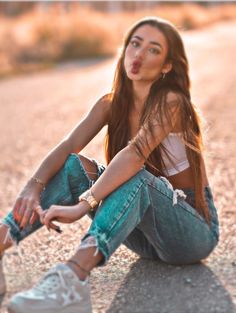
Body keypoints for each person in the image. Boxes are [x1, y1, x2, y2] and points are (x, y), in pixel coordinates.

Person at [0, 16, 219, 313]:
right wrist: (31, 188)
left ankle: (73, 279)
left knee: (135, 175)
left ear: (167, 65)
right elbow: (68, 147)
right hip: (146, 237)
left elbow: (134, 155)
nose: (139, 55)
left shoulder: (172, 102)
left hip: (190, 233)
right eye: (135, 44)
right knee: (74, 165)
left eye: (153, 50)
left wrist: (83, 204)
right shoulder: (110, 103)